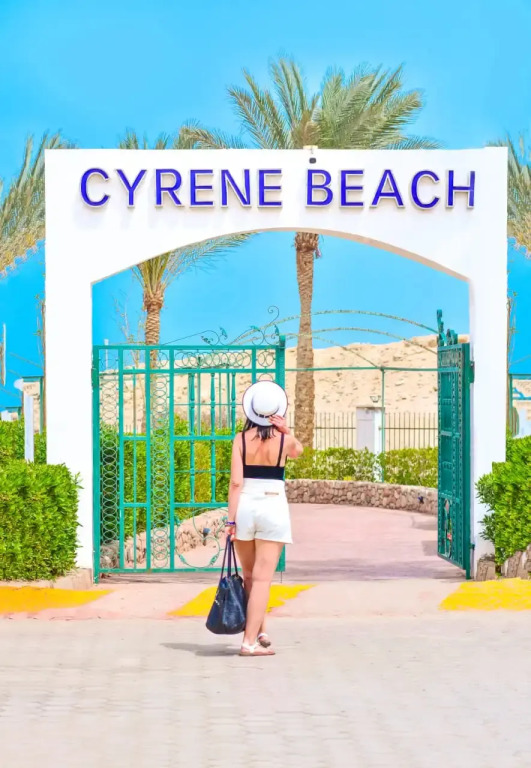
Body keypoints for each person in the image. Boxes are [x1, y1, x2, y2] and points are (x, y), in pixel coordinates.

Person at [225, 380, 303, 657]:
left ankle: (260, 631)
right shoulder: (284, 440)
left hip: (245, 505)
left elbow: (236, 483)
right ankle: (249, 643)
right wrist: (287, 431)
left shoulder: (240, 439)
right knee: (262, 580)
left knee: (249, 576)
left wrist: (230, 521)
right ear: (277, 410)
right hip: (272, 504)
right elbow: (298, 452)